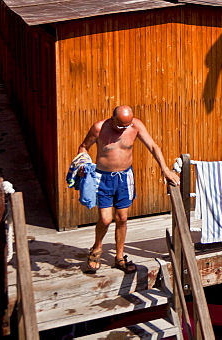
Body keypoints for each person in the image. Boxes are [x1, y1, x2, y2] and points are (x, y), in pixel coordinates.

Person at [77, 105, 180, 273]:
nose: (123, 129)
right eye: (120, 126)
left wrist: (165, 169)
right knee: (105, 219)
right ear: (112, 119)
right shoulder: (99, 128)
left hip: (125, 178)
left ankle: (119, 257)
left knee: (122, 218)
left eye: (126, 125)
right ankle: (96, 248)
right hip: (103, 178)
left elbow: (153, 146)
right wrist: (83, 163)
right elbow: (83, 147)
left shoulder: (136, 126)